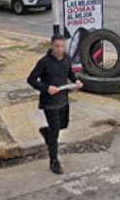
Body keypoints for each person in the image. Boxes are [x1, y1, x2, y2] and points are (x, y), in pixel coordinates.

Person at [27, 34, 83, 174]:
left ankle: (45, 131)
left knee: (63, 125)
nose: (60, 49)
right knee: (56, 131)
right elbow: (31, 79)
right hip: (49, 102)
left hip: (63, 99)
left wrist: (76, 81)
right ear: (52, 46)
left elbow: (70, 73)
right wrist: (46, 88)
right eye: (57, 46)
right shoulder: (44, 62)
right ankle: (54, 160)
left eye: (62, 46)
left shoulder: (67, 59)